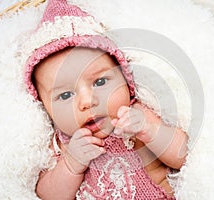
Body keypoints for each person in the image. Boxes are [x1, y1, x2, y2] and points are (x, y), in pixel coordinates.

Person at [22, 0, 188, 199]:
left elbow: (183, 157)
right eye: (65, 95)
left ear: (125, 80)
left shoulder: (137, 116)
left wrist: (149, 131)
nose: (88, 101)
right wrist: (71, 166)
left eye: (100, 82)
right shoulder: (63, 144)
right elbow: (47, 195)